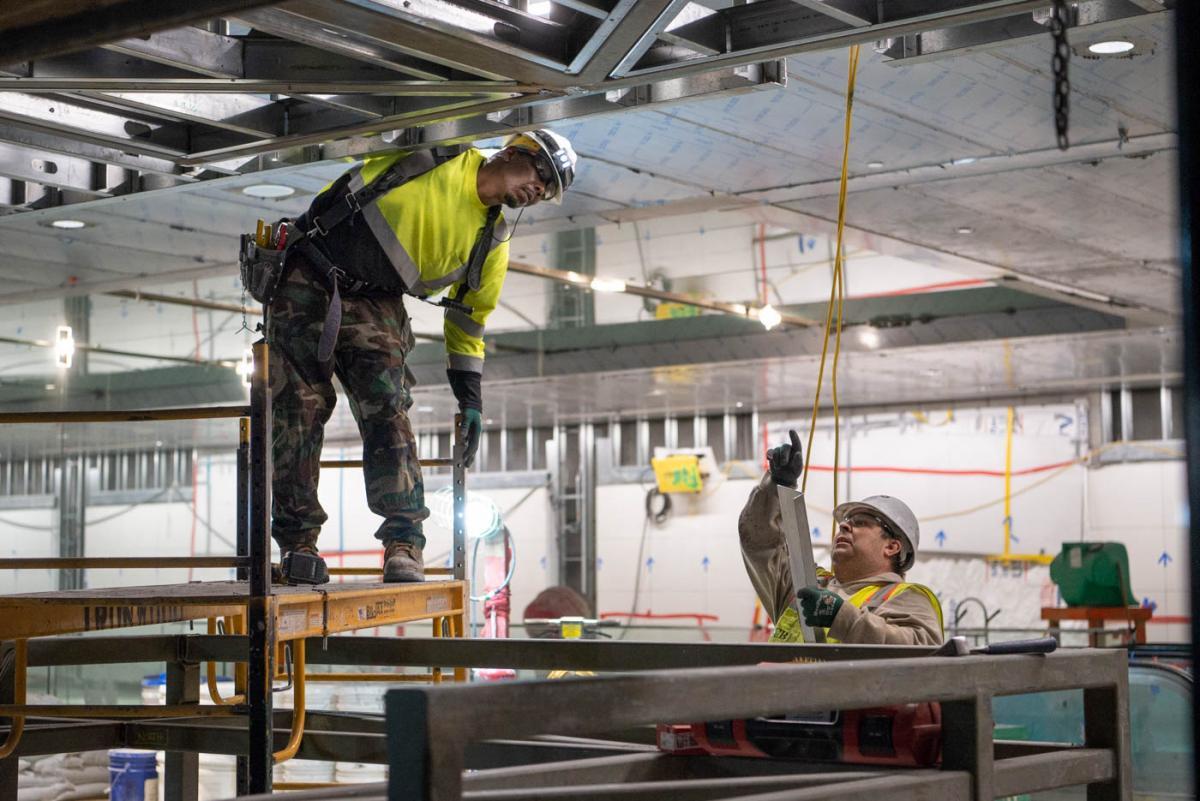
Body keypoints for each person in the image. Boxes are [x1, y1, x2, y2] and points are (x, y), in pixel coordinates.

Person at [269, 130, 578, 584]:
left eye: (547, 191)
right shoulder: (440, 148)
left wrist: (470, 400)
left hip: (378, 300)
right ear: (513, 152)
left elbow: (470, 322)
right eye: (541, 175)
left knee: (388, 414)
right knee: (297, 414)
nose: (538, 191)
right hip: (308, 274)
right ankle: (298, 547)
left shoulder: (491, 241)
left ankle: (404, 546)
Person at [738, 430, 943, 644]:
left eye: (861, 522)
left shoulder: (905, 597)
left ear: (892, 547)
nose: (844, 525)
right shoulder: (806, 584)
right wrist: (776, 485)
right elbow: (758, 541)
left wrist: (842, 618)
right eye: (846, 521)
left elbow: (921, 651)